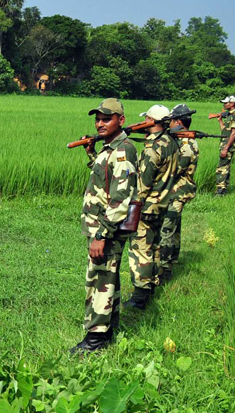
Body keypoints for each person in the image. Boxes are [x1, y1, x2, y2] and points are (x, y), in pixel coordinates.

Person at [70, 99, 138, 354]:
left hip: (106, 229)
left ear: (121, 120)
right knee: (108, 278)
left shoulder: (122, 150)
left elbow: (121, 200)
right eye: (97, 118)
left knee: (99, 280)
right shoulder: (110, 148)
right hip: (102, 227)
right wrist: (91, 153)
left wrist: (101, 234)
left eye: (106, 118)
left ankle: (95, 339)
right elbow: (103, 179)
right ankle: (108, 330)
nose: (99, 123)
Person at [126, 104, 179, 311]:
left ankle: (140, 296)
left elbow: (143, 184)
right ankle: (151, 288)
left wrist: (132, 208)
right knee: (155, 247)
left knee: (141, 250)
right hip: (163, 203)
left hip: (147, 207)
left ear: (152, 121)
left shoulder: (152, 149)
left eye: (146, 119)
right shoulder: (171, 142)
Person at [158, 104, 199, 282]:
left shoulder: (187, 145)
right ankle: (172, 260)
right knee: (173, 230)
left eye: (171, 121)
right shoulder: (181, 141)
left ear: (178, 121)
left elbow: (174, 169)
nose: (169, 125)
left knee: (167, 230)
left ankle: (165, 269)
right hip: (175, 192)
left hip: (177, 192)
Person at [215, 95, 235, 196]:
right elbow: (224, 130)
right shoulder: (230, 116)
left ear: (232, 104)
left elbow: (234, 133)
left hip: (228, 146)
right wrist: (220, 121)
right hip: (225, 144)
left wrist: (226, 148)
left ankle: (220, 191)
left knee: (221, 168)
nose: (224, 104)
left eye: (226, 103)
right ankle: (223, 189)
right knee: (225, 167)